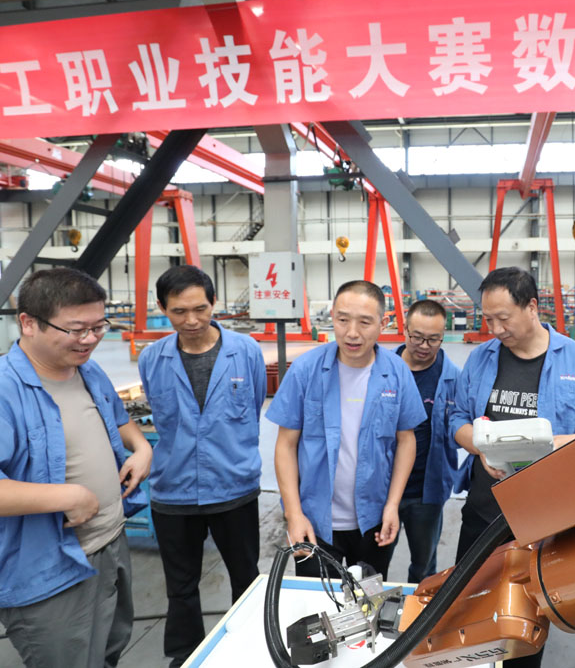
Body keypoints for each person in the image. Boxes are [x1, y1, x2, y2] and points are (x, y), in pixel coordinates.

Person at [0, 268, 152, 668]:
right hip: (45, 570)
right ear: (28, 323)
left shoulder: (86, 370)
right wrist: (65, 496)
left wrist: (141, 447)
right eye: (76, 329)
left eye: (98, 327)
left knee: (108, 650)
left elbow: (116, 416)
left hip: (110, 542)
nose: (90, 339)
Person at [451, 267, 575, 668]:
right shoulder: (481, 358)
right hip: (484, 513)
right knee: (469, 613)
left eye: (503, 318)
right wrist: (481, 448)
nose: (495, 329)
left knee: (527, 628)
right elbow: (456, 419)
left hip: (544, 524)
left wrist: (554, 446)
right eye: (488, 319)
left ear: (532, 307)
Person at [137, 266, 267, 667]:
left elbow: (255, 407)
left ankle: (249, 648)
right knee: (180, 586)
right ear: (162, 308)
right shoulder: (152, 358)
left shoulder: (245, 351)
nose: (191, 320)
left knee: (245, 578)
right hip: (173, 491)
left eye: (200, 309)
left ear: (214, 303)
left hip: (234, 488)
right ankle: (185, 654)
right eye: (179, 312)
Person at [268, 280, 425, 579]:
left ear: (383, 323)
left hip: (374, 521)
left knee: (368, 599)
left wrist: (392, 505)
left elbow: (406, 441)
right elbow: (285, 445)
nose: (352, 333)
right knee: (317, 602)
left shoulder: (396, 372)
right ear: (332, 318)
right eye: (342, 320)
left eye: (364, 322)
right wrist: (294, 513)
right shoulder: (305, 370)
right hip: (314, 522)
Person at [394, 299, 461, 584]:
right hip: (381, 489)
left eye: (433, 339)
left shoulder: (453, 379)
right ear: (405, 330)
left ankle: (420, 609)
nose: (424, 346)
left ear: (443, 336)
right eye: (417, 337)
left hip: (427, 491)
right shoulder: (383, 370)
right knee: (372, 564)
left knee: (423, 566)